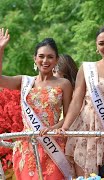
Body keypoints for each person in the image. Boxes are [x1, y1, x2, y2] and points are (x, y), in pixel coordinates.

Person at [0, 28, 73, 179]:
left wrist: (53, 128)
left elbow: (70, 115)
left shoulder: (64, 84)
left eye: (50, 57)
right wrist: (1, 50)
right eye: (41, 56)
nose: (45, 61)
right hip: (28, 147)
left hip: (53, 144)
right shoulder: (25, 81)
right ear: (35, 58)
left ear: (56, 60)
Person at [56, 25, 104, 177]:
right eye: (101, 43)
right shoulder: (87, 68)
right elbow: (76, 101)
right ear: (96, 47)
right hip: (86, 130)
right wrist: (66, 126)